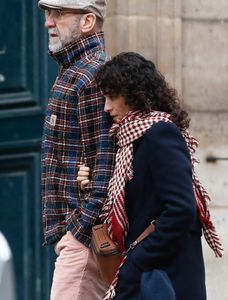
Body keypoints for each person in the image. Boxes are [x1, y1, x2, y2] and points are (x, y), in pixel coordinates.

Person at [78, 52, 223, 300]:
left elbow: (181, 209)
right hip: (146, 278)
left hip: (165, 279)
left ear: (136, 94)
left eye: (112, 97)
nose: (107, 107)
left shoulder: (160, 134)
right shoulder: (126, 142)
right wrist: (91, 184)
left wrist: (136, 261)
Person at [38, 0, 115, 299]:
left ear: (87, 22)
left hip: (84, 237)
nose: (49, 22)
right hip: (75, 235)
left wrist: (80, 230)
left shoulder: (92, 75)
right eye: (48, 13)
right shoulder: (73, 72)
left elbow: (105, 161)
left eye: (58, 13)